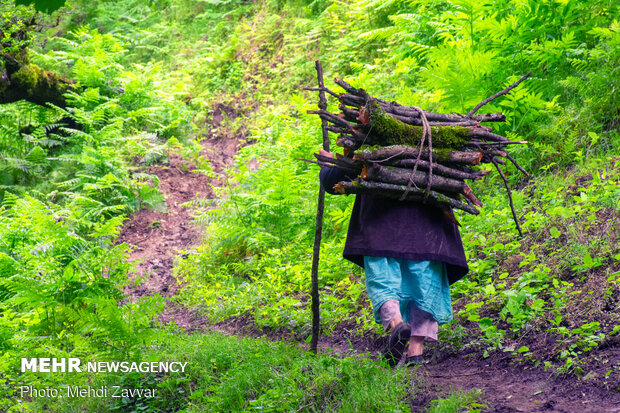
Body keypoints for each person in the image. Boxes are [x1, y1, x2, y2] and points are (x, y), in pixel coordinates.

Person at [318, 149, 468, 367]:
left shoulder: (368, 143)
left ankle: (398, 325)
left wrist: (331, 164)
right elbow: (459, 175)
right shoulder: (436, 148)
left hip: (380, 227)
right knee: (425, 281)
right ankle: (415, 350)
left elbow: (332, 183)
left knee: (383, 278)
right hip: (428, 229)